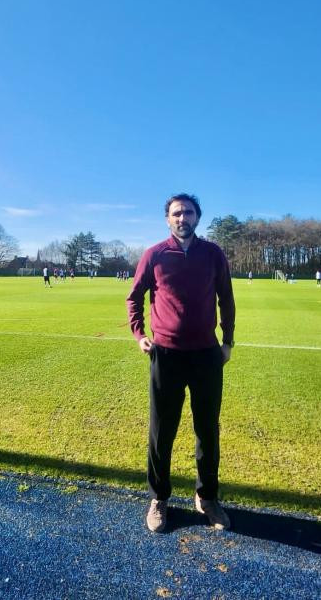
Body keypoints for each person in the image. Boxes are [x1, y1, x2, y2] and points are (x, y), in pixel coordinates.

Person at [126, 193, 235, 533]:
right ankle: (159, 498)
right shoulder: (154, 254)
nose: (182, 218)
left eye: (188, 212)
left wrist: (227, 341)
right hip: (166, 355)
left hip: (206, 355)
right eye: (176, 213)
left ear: (197, 217)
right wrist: (139, 334)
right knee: (162, 431)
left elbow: (226, 298)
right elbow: (134, 297)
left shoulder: (213, 253)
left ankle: (207, 497)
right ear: (167, 219)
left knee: (207, 430)